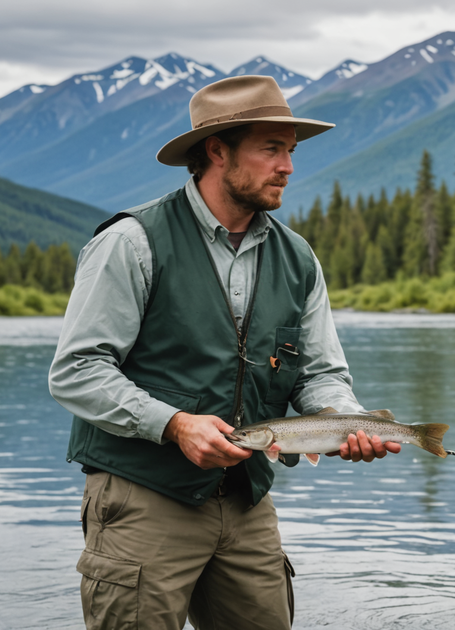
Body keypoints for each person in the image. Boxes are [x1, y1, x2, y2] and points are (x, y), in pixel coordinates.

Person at [49, 75, 400, 630]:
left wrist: (341, 420)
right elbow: (77, 371)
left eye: (290, 150)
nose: (287, 166)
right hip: (142, 497)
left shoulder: (298, 257)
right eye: (271, 148)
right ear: (217, 151)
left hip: (246, 501)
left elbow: (319, 372)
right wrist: (174, 425)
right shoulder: (132, 241)